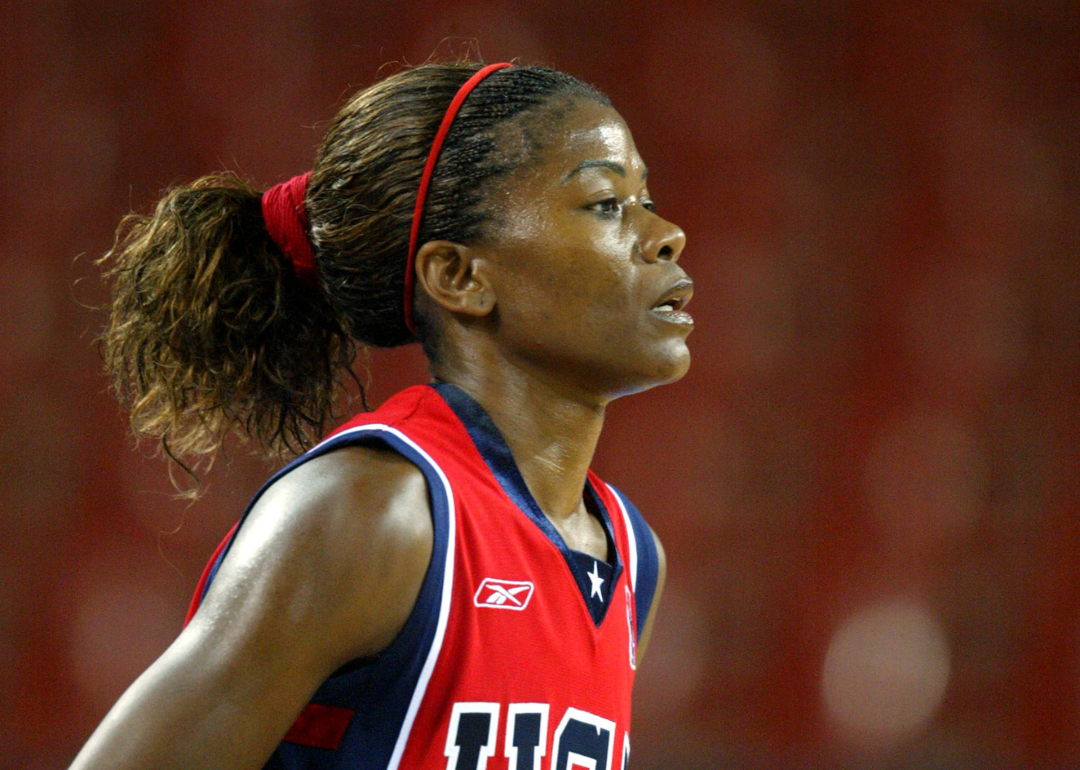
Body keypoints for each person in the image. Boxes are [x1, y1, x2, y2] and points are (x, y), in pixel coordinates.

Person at [71, 60, 692, 770]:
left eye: (646, 199)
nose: (666, 233)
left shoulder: (633, 558)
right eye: (607, 204)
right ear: (459, 276)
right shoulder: (372, 515)